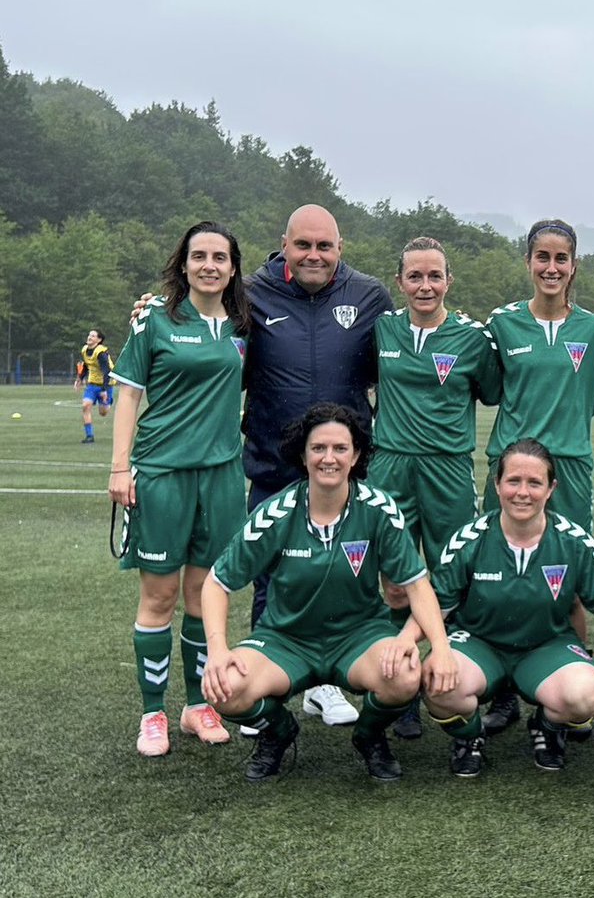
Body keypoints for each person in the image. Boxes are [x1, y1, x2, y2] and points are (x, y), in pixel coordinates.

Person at [134, 205, 394, 728]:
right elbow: (201, 318)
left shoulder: (370, 296)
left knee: (344, 574)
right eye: (304, 245)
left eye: (324, 246)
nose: (314, 255)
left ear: (340, 248)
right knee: (269, 578)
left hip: (342, 469)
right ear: (285, 244)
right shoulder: (249, 295)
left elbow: (395, 362)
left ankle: (325, 685)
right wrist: (155, 307)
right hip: (274, 466)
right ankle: (264, 689)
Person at [200, 403, 457, 782]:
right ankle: (278, 731)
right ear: (303, 455)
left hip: (359, 637)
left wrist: (441, 647)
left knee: (405, 674)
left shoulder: (379, 509)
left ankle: (369, 736)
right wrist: (218, 650)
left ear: (356, 455)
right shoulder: (275, 513)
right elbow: (216, 583)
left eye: (340, 448)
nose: (329, 458)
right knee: (224, 689)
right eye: (318, 448)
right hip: (286, 640)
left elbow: (417, 584)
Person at [424, 438, 594, 777]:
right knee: (437, 681)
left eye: (534, 482)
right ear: (497, 484)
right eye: (513, 481)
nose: (522, 492)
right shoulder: (470, 539)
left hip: (545, 646)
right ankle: (469, 736)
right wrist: (416, 644)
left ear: (551, 488)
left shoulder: (573, 541)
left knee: (582, 694)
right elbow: (436, 606)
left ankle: (545, 726)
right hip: (479, 644)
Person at [109, 221, 251, 757]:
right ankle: (153, 713)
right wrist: (119, 468)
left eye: (219, 257)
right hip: (162, 473)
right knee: (159, 596)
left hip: (222, 477)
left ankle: (196, 706)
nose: (209, 265)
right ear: (184, 264)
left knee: (203, 595)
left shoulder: (243, 326)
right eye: (199, 256)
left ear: (233, 268)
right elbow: (128, 395)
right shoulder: (155, 320)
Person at [478, 219, 594, 735]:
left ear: (574, 265)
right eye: (543, 257)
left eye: (561, 259)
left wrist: (564, 421)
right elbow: (491, 389)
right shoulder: (502, 324)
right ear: (528, 262)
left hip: (570, 467)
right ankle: (502, 692)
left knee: (571, 584)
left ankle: (560, 692)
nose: (551, 267)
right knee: (498, 579)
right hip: (512, 468)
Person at [371, 236, 501, 739]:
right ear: (400, 282)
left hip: (448, 470)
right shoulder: (382, 329)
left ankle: (460, 675)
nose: (425, 286)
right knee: (395, 582)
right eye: (415, 276)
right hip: (391, 467)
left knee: (454, 578)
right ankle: (401, 686)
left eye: (434, 276)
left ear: (449, 280)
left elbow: (493, 390)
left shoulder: (472, 338)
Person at [76, 328, 113, 443]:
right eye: (89, 335)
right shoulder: (84, 350)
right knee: (85, 406)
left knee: (103, 413)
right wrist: (80, 378)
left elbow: (107, 371)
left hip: (105, 384)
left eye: (93, 336)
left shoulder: (101, 353)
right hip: (92, 384)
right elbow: (86, 365)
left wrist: (104, 390)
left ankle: (108, 402)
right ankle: (89, 436)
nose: (89, 337)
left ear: (99, 340)